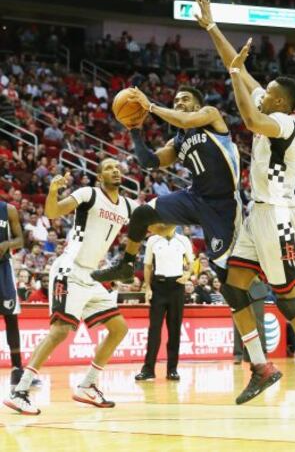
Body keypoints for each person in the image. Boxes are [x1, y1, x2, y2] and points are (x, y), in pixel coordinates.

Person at [194, 0, 295, 415]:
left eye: (270, 91)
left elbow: (249, 118)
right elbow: (236, 67)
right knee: (232, 285)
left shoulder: (283, 122)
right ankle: (260, 366)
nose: (264, 92)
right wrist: (211, 28)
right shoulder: (271, 104)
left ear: (282, 102)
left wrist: (238, 77)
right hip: (258, 211)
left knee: (289, 300)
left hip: (279, 215)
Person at [4, 158, 134, 415]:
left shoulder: (129, 205)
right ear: (99, 176)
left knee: (119, 328)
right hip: (70, 269)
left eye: (117, 167)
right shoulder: (89, 193)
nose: (115, 170)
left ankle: (87, 384)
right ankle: (21, 390)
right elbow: (53, 212)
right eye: (108, 167)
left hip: (94, 275)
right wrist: (53, 192)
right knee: (61, 331)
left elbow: (152, 223)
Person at [91, 85, 241, 286]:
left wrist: (150, 106)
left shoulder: (210, 115)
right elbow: (149, 161)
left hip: (223, 204)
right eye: (176, 100)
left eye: (185, 99)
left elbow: (185, 120)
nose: (179, 103)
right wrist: (135, 131)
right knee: (141, 214)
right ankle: (126, 266)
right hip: (195, 197)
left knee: (228, 278)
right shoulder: (177, 142)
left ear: (197, 104)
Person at [135, 224, 193, 381]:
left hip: (177, 287)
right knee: (154, 330)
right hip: (158, 286)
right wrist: (147, 288)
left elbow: (191, 264)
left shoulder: (183, 240)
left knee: (174, 330)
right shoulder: (153, 240)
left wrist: (187, 275)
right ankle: (148, 370)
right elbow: (147, 266)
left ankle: (172, 369)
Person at [0, 201, 40, 391]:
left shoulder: (8, 210)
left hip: (3, 268)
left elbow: (20, 240)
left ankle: (17, 369)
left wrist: (7, 244)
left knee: (11, 318)